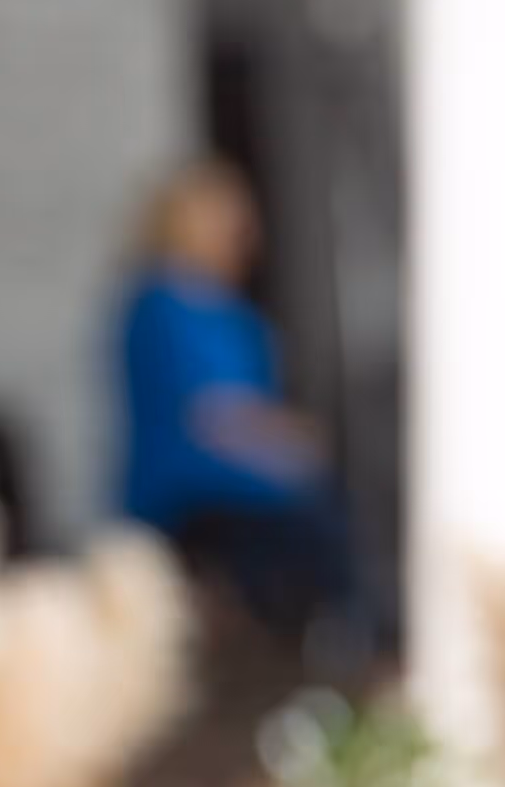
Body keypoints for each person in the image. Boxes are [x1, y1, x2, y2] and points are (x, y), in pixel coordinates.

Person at [117, 158, 365, 648]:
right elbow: (212, 417)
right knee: (314, 530)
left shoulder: (232, 310)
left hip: (252, 487)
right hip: (192, 492)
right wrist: (292, 444)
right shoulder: (160, 303)